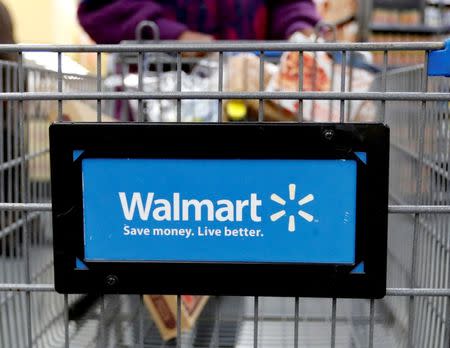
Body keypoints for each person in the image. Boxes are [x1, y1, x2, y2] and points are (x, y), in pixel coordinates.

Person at [77, 0, 321, 43]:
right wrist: (175, 36)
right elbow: (100, 9)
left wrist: (300, 27)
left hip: (251, 100)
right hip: (154, 105)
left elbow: (288, 4)